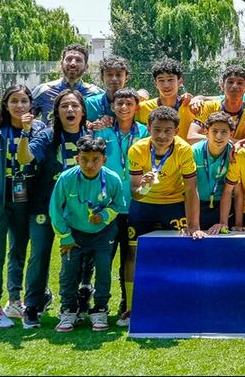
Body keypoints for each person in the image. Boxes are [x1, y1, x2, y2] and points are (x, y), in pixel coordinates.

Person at [19, 89, 91, 328]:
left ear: (82, 111)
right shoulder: (47, 136)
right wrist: (25, 133)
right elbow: (24, 158)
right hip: (44, 206)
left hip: (78, 210)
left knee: (77, 257)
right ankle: (33, 304)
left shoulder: (89, 137)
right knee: (39, 254)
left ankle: (76, 301)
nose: (70, 110)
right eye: (64, 106)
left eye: (75, 106)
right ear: (56, 112)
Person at [126, 106, 205, 323]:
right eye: (157, 130)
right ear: (148, 128)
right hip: (144, 205)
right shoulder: (137, 149)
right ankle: (131, 307)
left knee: (179, 253)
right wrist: (144, 187)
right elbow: (135, 193)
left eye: (167, 130)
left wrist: (194, 225)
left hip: (173, 204)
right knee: (133, 254)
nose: (161, 135)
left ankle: (180, 302)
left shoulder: (184, 149)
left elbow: (191, 189)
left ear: (176, 131)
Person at [0, 84, 46, 328]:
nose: (19, 106)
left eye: (24, 101)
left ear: (31, 105)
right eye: (14, 101)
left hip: (24, 199)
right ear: (6, 105)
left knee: (18, 250)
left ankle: (15, 300)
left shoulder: (38, 129)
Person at [49, 136, 124, 332]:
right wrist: (65, 237)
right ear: (77, 159)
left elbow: (119, 205)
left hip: (102, 233)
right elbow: (55, 210)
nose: (90, 165)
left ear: (104, 160)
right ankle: (69, 309)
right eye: (84, 159)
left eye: (95, 159)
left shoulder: (112, 179)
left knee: (104, 269)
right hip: (74, 233)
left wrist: (105, 215)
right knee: (68, 270)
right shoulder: (66, 178)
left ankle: (100, 308)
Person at [91, 88, 146, 326]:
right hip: (108, 206)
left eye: (129, 104)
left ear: (136, 107)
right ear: (112, 107)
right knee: (103, 259)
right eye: (119, 103)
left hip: (135, 204)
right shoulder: (101, 131)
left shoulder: (144, 131)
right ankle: (99, 304)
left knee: (130, 257)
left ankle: (128, 303)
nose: (124, 108)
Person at [30, 43, 102, 122]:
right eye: (69, 59)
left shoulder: (96, 94)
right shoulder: (43, 90)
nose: (73, 64)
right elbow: (24, 117)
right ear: (61, 64)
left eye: (78, 60)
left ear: (86, 67)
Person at [189, 65, 245, 143]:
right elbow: (191, 137)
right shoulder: (208, 107)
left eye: (240, 83)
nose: (234, 86)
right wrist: (232, 142)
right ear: (222, 86)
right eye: (230, 82)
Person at [191, 111, 236, 232]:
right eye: (214, 131)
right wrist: (193, 224)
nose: (219, 136)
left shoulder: (234, 154)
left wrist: (225, 223)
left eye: (224, 132)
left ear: (231, 134)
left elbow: (236, 191)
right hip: (197, 205)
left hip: (224, 206)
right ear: (206, 132)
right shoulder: (194, 151)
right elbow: (190, 188)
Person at [137, 59, 196, 144]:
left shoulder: (192, 107)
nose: (166, 85)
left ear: (180, 82)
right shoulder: (141, 108)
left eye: (170, 80)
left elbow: (216, 102)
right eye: (161, 80)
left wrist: (202, 98)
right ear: (155, 83)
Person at [84, 55, 132, 123]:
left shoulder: (134, 103)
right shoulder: (90, 104)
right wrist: (92, 126)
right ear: (102, 77)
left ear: (126, 78)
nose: (114, 79)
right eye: (109, 74)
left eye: (118, 75)